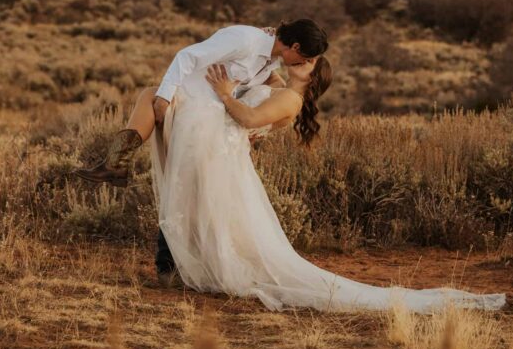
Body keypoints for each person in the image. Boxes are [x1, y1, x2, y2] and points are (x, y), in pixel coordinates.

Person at [150, 57, 506, 313]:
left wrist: (225, 94)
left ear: (313, 74)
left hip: (223, 158)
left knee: (211, 215)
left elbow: (249, 118)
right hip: (220, 157)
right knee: (203, 211)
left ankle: (181, 268)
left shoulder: (291, 99)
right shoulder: (281, 88)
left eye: (308, 62)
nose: (302, 59)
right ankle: (180, 265)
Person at [75, 20, 329, 285]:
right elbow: (187, 56)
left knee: (186, 193)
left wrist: (237, 104)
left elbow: (260, 112)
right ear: (296, 46)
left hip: (208, 127)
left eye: (309, 62)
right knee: (184, 187)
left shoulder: (274, 68)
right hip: (198, 119)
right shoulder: (247, 40)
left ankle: (173, 262)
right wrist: (166, 96)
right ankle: (118, 164)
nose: (302, 63)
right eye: (306, 58)